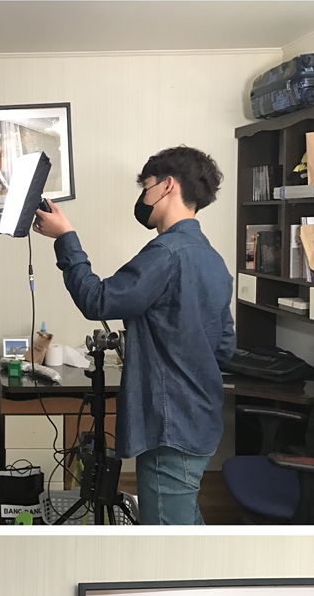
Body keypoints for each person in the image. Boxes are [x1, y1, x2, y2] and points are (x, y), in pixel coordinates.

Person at [34, 144, 235, 526]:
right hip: (201, 418)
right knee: (184, 521)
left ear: (167, 186)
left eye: (146, 186)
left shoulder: (167, 254)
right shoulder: (213, 260)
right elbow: (224, 347)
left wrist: (65, 237)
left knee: (166, 540)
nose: (143, 197)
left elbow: (97, 299)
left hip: (170, 427)